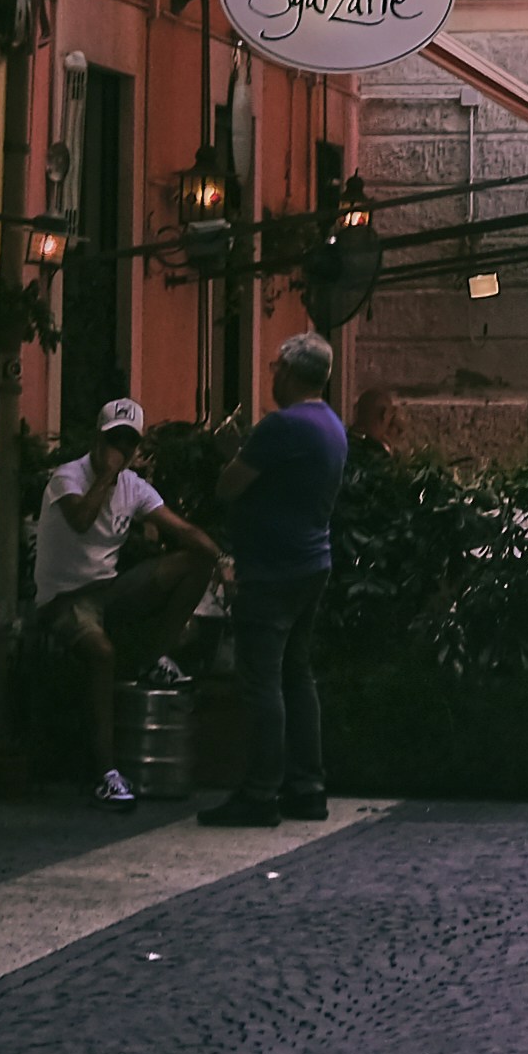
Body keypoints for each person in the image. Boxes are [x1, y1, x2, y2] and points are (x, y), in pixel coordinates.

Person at [27, 394, 222, 805]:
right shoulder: (68, 477)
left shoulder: (134, 487)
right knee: (101, 652)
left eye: (127, 444)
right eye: (113, 441)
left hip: (107, 590)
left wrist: (220, 561)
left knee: (194, 561)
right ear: (97, 441)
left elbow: (180, 529)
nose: (119, 451)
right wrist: (106, 477)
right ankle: (107, 772)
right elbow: (81, 520)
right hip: (64, 600)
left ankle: (155, 656)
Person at [206, 335, 349, 824]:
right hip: (313, 562)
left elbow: (229, 485)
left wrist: (232, 452)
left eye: (274, 366)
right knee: (297, 675)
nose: (271, 375)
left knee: (261, 681)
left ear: (288, 371)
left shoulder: (282, 427)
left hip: (272, 569)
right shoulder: (332, 424)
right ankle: (307, 786)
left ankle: (260, 792)